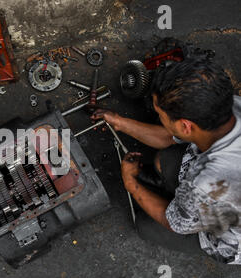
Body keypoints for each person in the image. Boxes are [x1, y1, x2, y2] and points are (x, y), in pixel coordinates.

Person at [92, 58, 241, 264]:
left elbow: (173, 222)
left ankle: (173, 198)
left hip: (228, 238)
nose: (158, 116)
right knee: (166, 159)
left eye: (160, 114)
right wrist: (120, 123)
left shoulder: (205, 184)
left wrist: (131, 184)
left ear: (186, 126)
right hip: (221, 196)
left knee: (145, 226)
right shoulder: (232, 106)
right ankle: (173, 192)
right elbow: (168, 136)